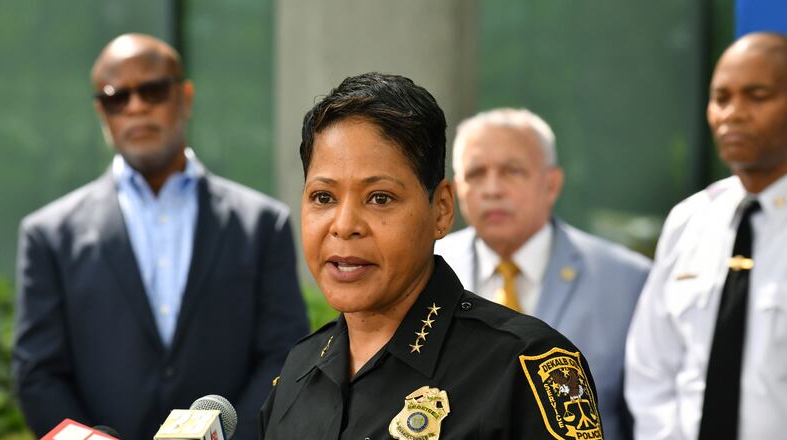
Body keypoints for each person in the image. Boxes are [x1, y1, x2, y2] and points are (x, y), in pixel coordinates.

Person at [259, 72, 605, 439]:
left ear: (440, 209)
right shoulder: (299, 371)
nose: (344, 226)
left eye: (380, 198)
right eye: (323, 197)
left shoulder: (523, 369)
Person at [12, 33, 308, 440]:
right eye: (117, 97)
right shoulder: (48, 235)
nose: (136, 107)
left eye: (152, 90)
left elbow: (284, 355)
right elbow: (38, 375)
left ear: (184, 97)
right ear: (103, 112)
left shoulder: (262, 224)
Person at [435, 108, 650, 439]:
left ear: (551, 184)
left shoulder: (626, 281)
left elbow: (647, 413)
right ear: (455, 190)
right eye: (476, 173)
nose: (492, 189)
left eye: (512, 171)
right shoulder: (427, 270)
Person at [625, 32, 787, 439]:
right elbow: (651, 369)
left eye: (758, 95)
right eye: (721, 98)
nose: (733, 113)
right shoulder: (690, 221)